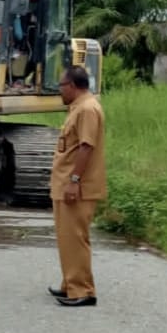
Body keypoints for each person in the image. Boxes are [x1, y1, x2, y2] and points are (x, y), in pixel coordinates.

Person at [47, 65, 106, 307]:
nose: (59, 90)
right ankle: (70, 283)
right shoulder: (79, 108)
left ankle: (82, 290)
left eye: (61, 85)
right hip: (66, 185)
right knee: (67, 237)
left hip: (77, 187)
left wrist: (74, 181)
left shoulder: (88, 109)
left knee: (75, 237)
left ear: (72, 86)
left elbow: (86, 146)